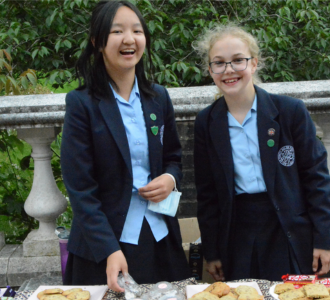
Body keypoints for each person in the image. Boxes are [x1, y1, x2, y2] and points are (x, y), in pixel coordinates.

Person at [60, 0, 191, 291]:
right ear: (97, 41)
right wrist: (108, 248)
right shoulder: (82, 104)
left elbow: (173, 158)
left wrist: (170, 179)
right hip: (105, 245)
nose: (129, 39)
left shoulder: (158, 98)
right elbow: (80, 188)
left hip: (159, 237)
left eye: (137, 30)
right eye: (117, 31)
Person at [193, 23, 330, 281]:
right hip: (238, 233)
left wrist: (325, 239)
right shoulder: (206, 122)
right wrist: (212, 252)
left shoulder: (290, 112)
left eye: (238, 61)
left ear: (254, 64)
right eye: (219, 63)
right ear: (210, 70)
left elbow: (317, 178)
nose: (229, 70)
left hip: (288, 228)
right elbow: (207, 193)